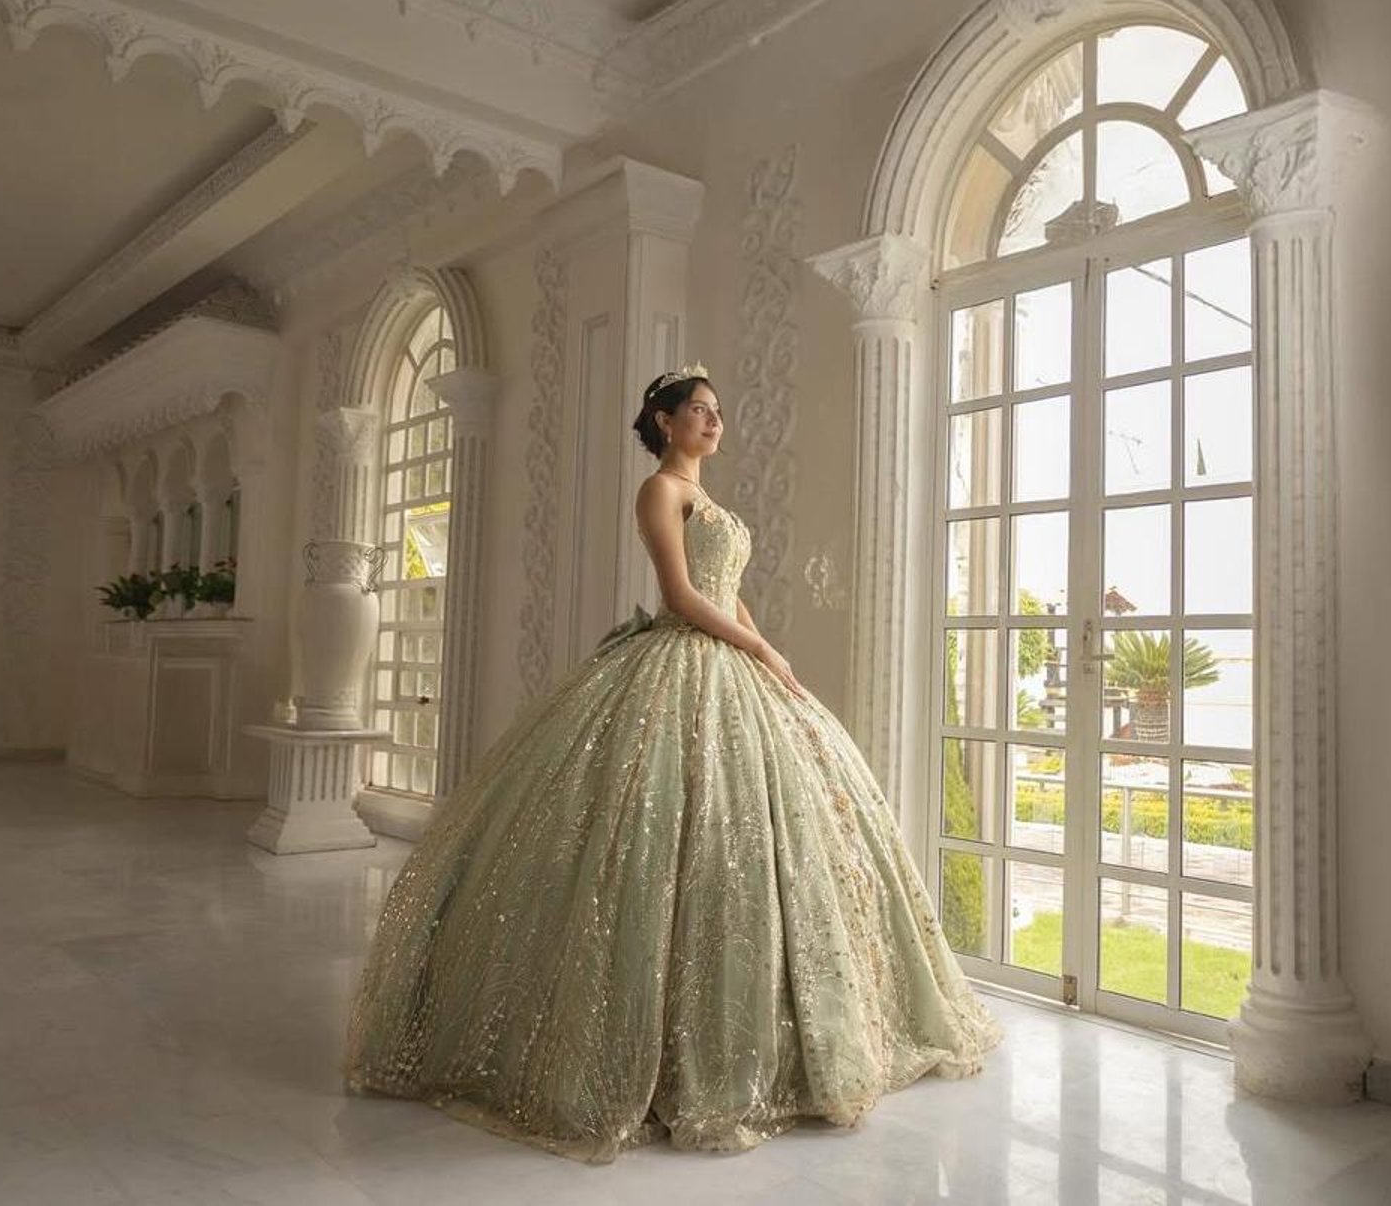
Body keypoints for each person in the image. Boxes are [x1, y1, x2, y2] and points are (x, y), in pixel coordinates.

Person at [345, 364, 1001, 1162]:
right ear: (662, 421)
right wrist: (755, 643)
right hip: (681, 659)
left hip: (730, 658)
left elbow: (729, 592)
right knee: (655, 835)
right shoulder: (661, 491)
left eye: (718, 411)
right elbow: (683, 596)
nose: (714, 422)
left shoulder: (710, 501)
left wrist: (769, 651)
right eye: (699, 410)